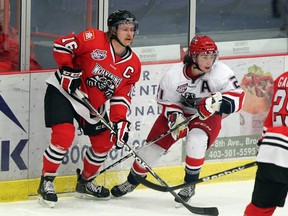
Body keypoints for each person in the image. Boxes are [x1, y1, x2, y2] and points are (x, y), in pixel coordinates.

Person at [110, 35, 245, 205]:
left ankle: (189, 185)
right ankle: (131, 182)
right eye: (204, 56)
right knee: (149, 152)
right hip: (179, 113)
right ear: (193, 56)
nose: (209, 61)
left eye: (212, 56)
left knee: (196, 141)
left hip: (207, 116)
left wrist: (217, 103)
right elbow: (165, 101)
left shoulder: (222, 72)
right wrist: (174, 116)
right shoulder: (174, 75)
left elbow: (239, 97)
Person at [37, 10, 141, 207]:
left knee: (104, 142)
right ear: (112, 30)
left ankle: (85, 182)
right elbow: (62, 45)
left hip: (92, 104)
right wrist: (69, 70)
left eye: (132, 30)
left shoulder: (133, 64)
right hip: (64, 92)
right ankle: (46, 183)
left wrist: (120, 122)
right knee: (63, 136)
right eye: (124, 29)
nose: (129, 34)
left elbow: (121, 96)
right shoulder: (93, 38)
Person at [244, 72, 288, 216]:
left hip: (272, 148)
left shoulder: (283, 78)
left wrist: (263, 143)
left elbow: (271, 116)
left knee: (260, 208)